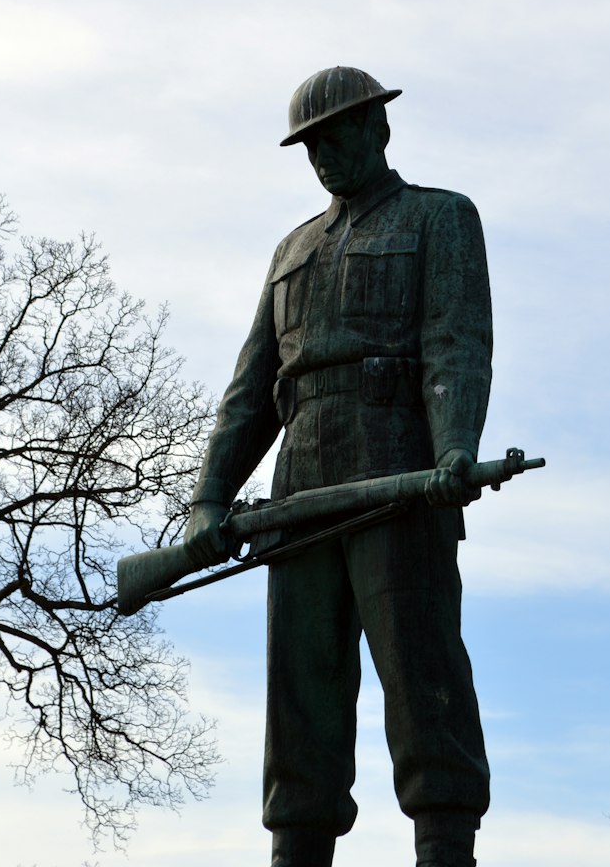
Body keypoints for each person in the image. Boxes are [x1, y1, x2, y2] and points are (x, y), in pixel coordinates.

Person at [183, 66, 492, 867]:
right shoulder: (292, 250)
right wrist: (210, 495)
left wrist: (454, 441)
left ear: (379, 129)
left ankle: (445, 847)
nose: (324, 153)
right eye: (311, 143)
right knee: (303, 695)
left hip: (400, 467)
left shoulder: (440, 218)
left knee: (422, 675)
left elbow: (455, 343)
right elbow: (252, 389)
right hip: (301, 480)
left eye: (338, 134)